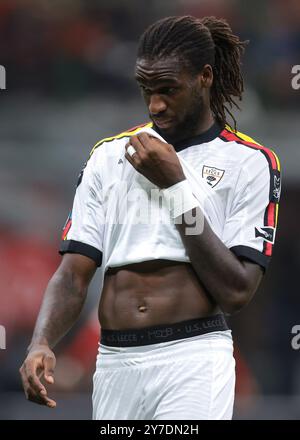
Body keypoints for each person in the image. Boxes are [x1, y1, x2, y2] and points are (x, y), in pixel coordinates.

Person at [20, 15, 281, 420]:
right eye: (146, 89)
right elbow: (73, 274)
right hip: (114, 363)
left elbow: (237, 291)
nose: (155, 104)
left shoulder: (250, 162)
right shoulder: (107, 156)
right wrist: (42, 341)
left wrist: (175, 188)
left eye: (168, 90)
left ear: (205, 77)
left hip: (192, 358)